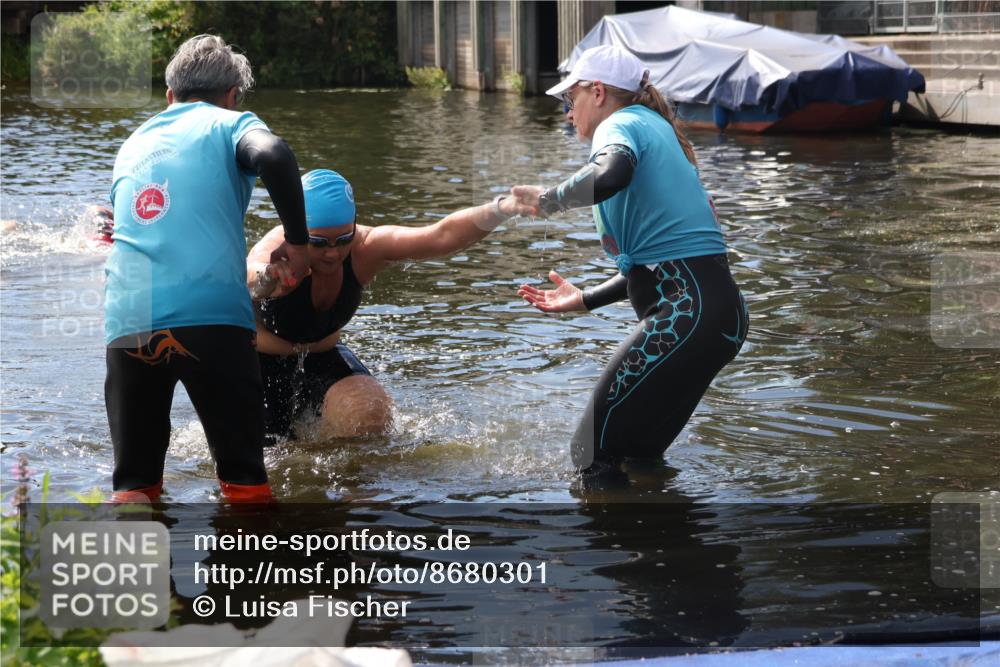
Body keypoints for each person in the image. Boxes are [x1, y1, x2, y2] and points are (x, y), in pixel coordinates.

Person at [512, 45, 749, 475]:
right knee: (635, 458)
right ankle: (664, 537)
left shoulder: (618, 124)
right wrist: (585, 299)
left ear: (598, 92)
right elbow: (665, 264)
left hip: (687, 316)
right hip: (719, 319)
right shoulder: (654, 126)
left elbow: (611, 174)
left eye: (571, 101)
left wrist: (549, 201)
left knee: (589, 453)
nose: (568, 114)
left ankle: (596, 540)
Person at [105, 35, 311, 503]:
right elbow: (274, 154)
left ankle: (137, 573)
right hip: (211, 317)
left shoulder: (134, 143)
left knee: (135, 486)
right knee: (243, 478)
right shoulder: (230, 123)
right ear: (233, 95)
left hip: (129, 317)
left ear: (169, 96)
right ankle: (248, 570)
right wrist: (297, 245)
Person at [248, 169, 536, 441]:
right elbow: (247, 278)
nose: (332, 254)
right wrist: (270, 279)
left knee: (368, 415)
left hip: (320, 354)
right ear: (295, 231)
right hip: (255, 364)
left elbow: (440, 236)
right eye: (319, 243)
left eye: (343, 239)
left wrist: (502, 208)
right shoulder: (276, 253)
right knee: (267, 455)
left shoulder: (366, 248)